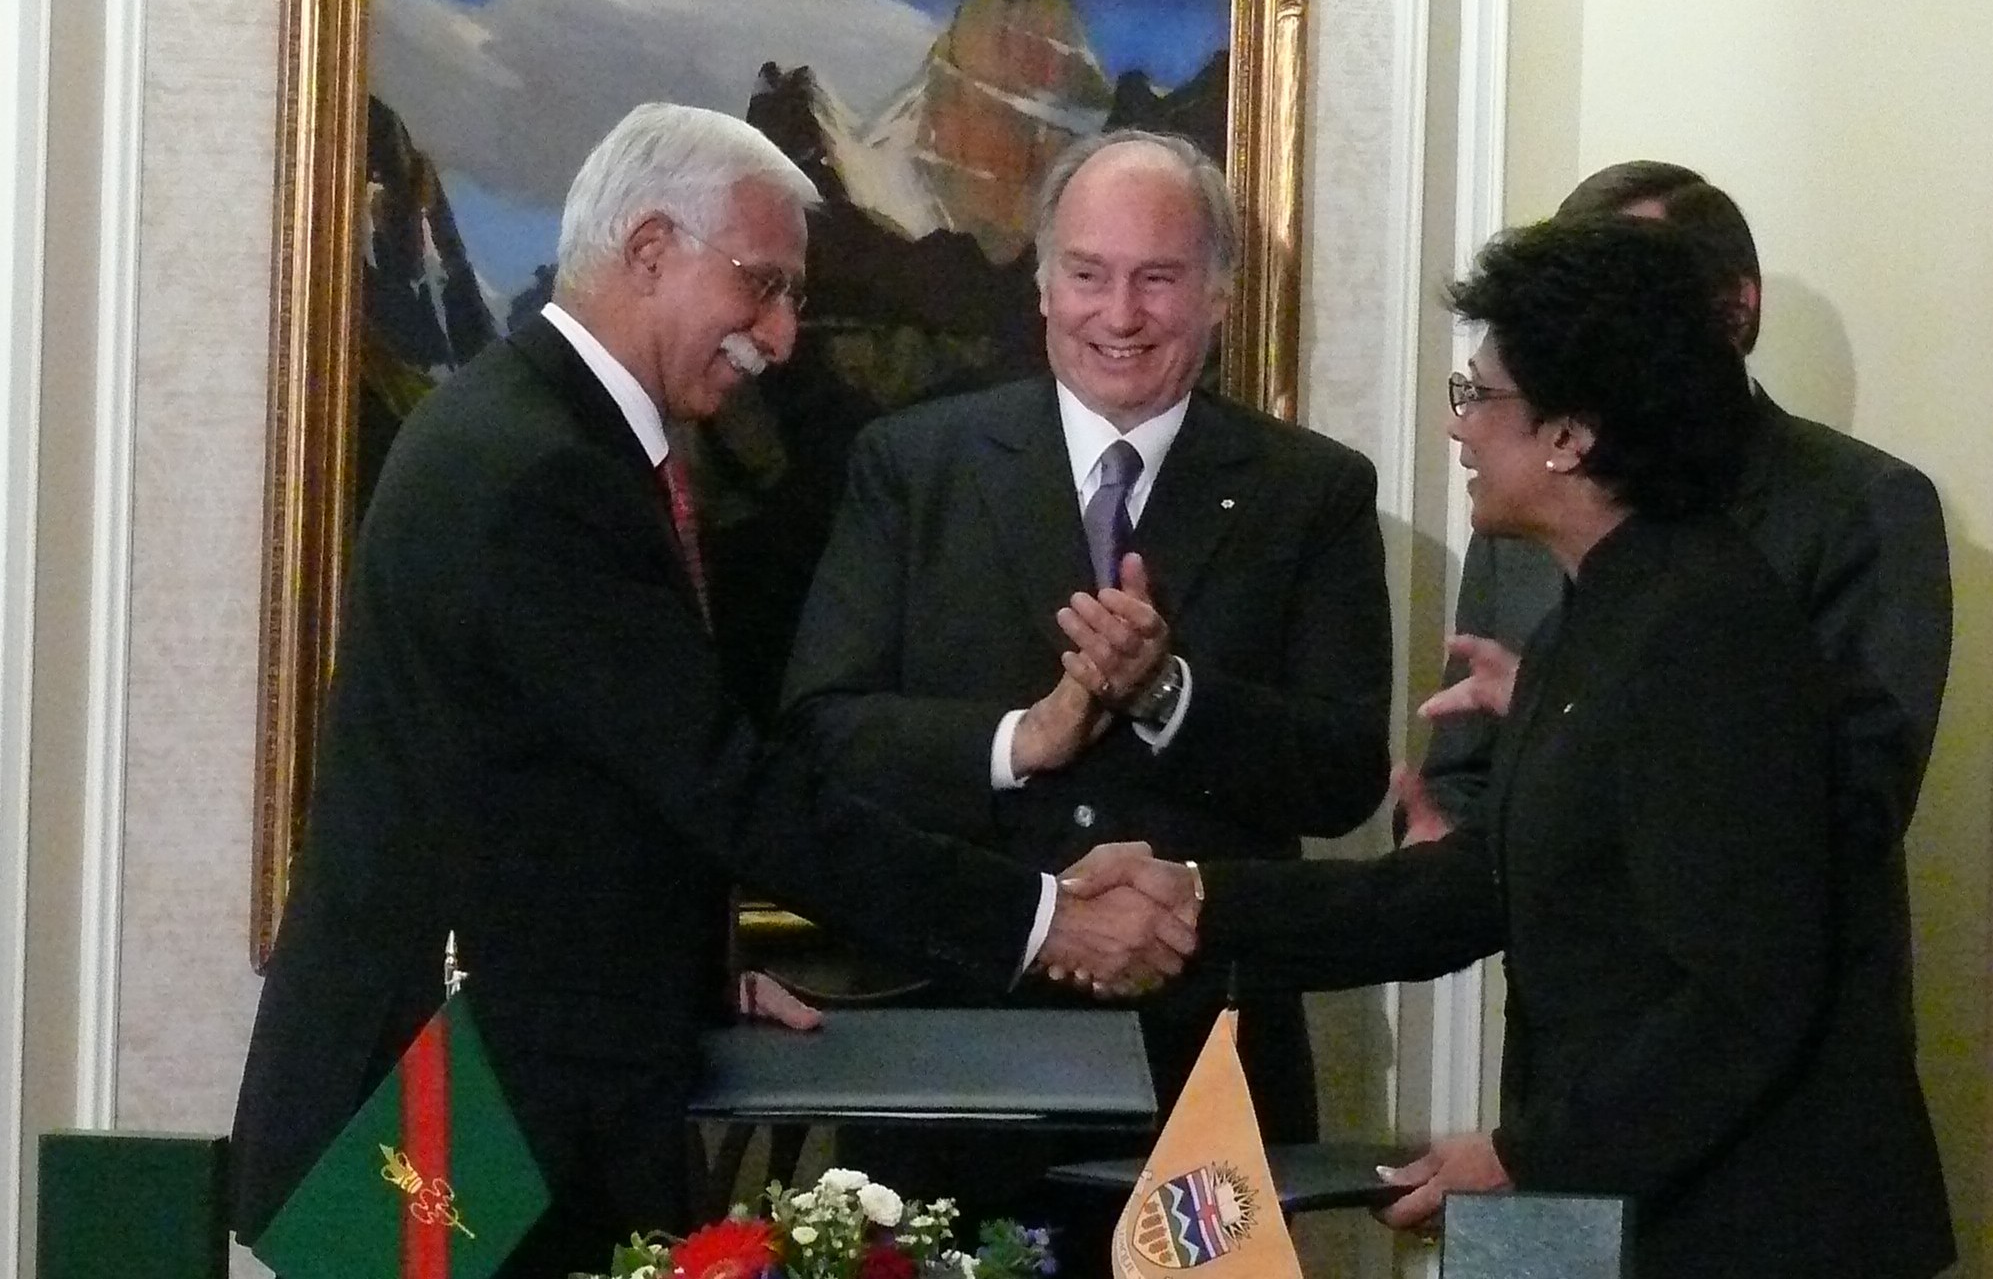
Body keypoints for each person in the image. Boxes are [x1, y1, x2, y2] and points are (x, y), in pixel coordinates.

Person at [228, 103, 1196, 1277]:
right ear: (647, 251)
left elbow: (568, 798)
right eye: (765, 284)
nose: (783, 335)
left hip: (501, 1073)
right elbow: (724, 786)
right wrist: (1045, 916)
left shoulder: (538, 427)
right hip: (447, 1111)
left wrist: (692, 965)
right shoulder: (539, 472)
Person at [1067, 214, 1955, 1278]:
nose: (1458, 431)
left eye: (1477, 396)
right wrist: (1197, 897)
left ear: (1571, 434)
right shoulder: (1609, 608)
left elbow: (1744, 992)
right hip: (1643, 1201)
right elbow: (1481, 882)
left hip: (1751, 1227)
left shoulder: (1705, 631)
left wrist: (1521, 1155)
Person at [778, 130, 1392, 1225]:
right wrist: (1023, 739)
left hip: (1203, 1051)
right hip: (957, 1043)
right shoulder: (912, 467)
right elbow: (826, 735)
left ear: (1215, 296)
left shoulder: (1314, 493)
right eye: (1089, 274)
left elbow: (1344, 772)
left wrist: (1171, 697)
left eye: (1157, 279)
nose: (1120, 314)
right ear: (1043, 285)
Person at [1417, 162, 1951, 868]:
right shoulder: (1520, 510)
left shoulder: (1865, 505)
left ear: (1734, 309)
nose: (1582, 329)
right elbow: (1462, 779)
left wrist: (1574, 716)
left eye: (1629, 289)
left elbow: (1852, 810)